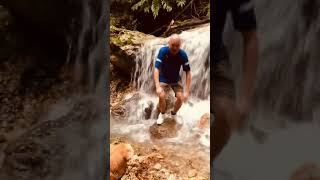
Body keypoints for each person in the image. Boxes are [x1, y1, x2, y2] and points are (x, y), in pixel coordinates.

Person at [212, 0, 259, 162]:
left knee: (226, 117)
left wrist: (245, 97)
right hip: (197, 53)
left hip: (215, 57)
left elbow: (250, 36)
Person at [154, 34, 192, 125]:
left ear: (180, 45)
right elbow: (156, 69)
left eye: (177, 46)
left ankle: (174, 113)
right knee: (161, 95)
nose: (174, 48)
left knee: (180, 97)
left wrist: (187, 91)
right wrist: (157, 86)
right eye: (172, 45)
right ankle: (162, 114)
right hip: (163, 78)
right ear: (169, 43)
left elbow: (188, 72)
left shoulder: (183, 55)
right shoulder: (163, 51)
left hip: (175, 79)